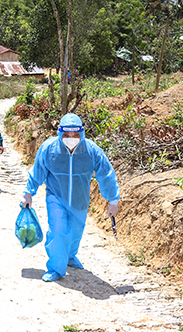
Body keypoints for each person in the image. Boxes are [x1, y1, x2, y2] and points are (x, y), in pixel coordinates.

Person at [21, 113, 119, 282]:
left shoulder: (91, 150)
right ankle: (56, 268)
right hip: (56, 197)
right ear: (60, 133)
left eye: (75, 134)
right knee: (58, 230)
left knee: (75, 231)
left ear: (81, 133)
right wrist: (28, 193)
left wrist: (113, 200)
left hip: (80, 200)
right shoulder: (49, 148)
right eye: (67, 134)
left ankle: (70, 256)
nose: (71, 138)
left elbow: (106, 174)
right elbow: (37, 171)